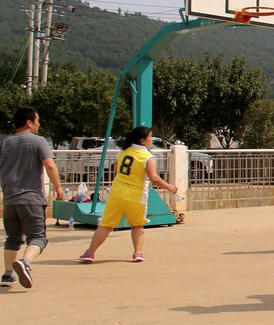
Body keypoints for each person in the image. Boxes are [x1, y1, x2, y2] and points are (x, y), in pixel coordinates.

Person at [78, 126, 178, 263]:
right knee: (137, 226)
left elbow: (116, 171)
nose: (151, 139)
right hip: (136, 196)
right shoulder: (148, 157)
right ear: (143, 141)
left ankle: (90, 253)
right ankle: (138, 253)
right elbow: (154, 178)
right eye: (150, 137)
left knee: (105, 225)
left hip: (117, 194)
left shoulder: (123, 152)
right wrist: (169, 187)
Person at [0, 107, 64, 289]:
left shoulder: (5, 143)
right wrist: (58, 188)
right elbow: (49, 165)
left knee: (13, 238)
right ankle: (25, 263)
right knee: (38, 237)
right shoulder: (38, 141)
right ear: (29, 122)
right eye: (37, 121)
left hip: (10, 200)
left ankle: (7, 275)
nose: (39, 124)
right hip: (31, 199)